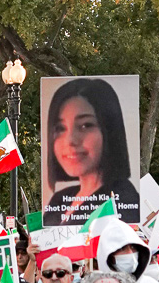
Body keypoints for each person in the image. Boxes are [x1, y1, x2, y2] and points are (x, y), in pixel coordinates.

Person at [43, 77, 141, 225]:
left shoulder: (123, 202)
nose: (70, 140)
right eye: (60, 128)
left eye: (85, 125)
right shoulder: (60, 199)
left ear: (109, 130)